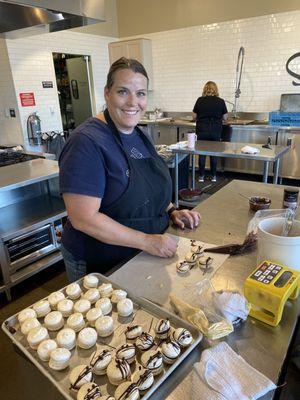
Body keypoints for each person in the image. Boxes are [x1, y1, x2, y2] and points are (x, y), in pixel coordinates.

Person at [59, 57, 200, 282]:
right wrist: (147, 240)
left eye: (141, 93)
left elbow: (147, 186)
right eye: (123, 92)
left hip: (138, 253)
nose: (133, 102)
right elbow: (83, 218)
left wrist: (171, 210)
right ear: (107, 93)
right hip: (99, 261)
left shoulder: (139, 134)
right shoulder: (86, 142)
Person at [192, 81, 228, 182]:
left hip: (202, 129)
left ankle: (201, 176)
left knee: (202, 153)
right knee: (214, 153)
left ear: (205, 89)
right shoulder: (220, 101)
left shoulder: (200, 100)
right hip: (215, 130)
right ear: (215, 89)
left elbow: (194, 116)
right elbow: (225, 117)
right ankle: (213, 176)